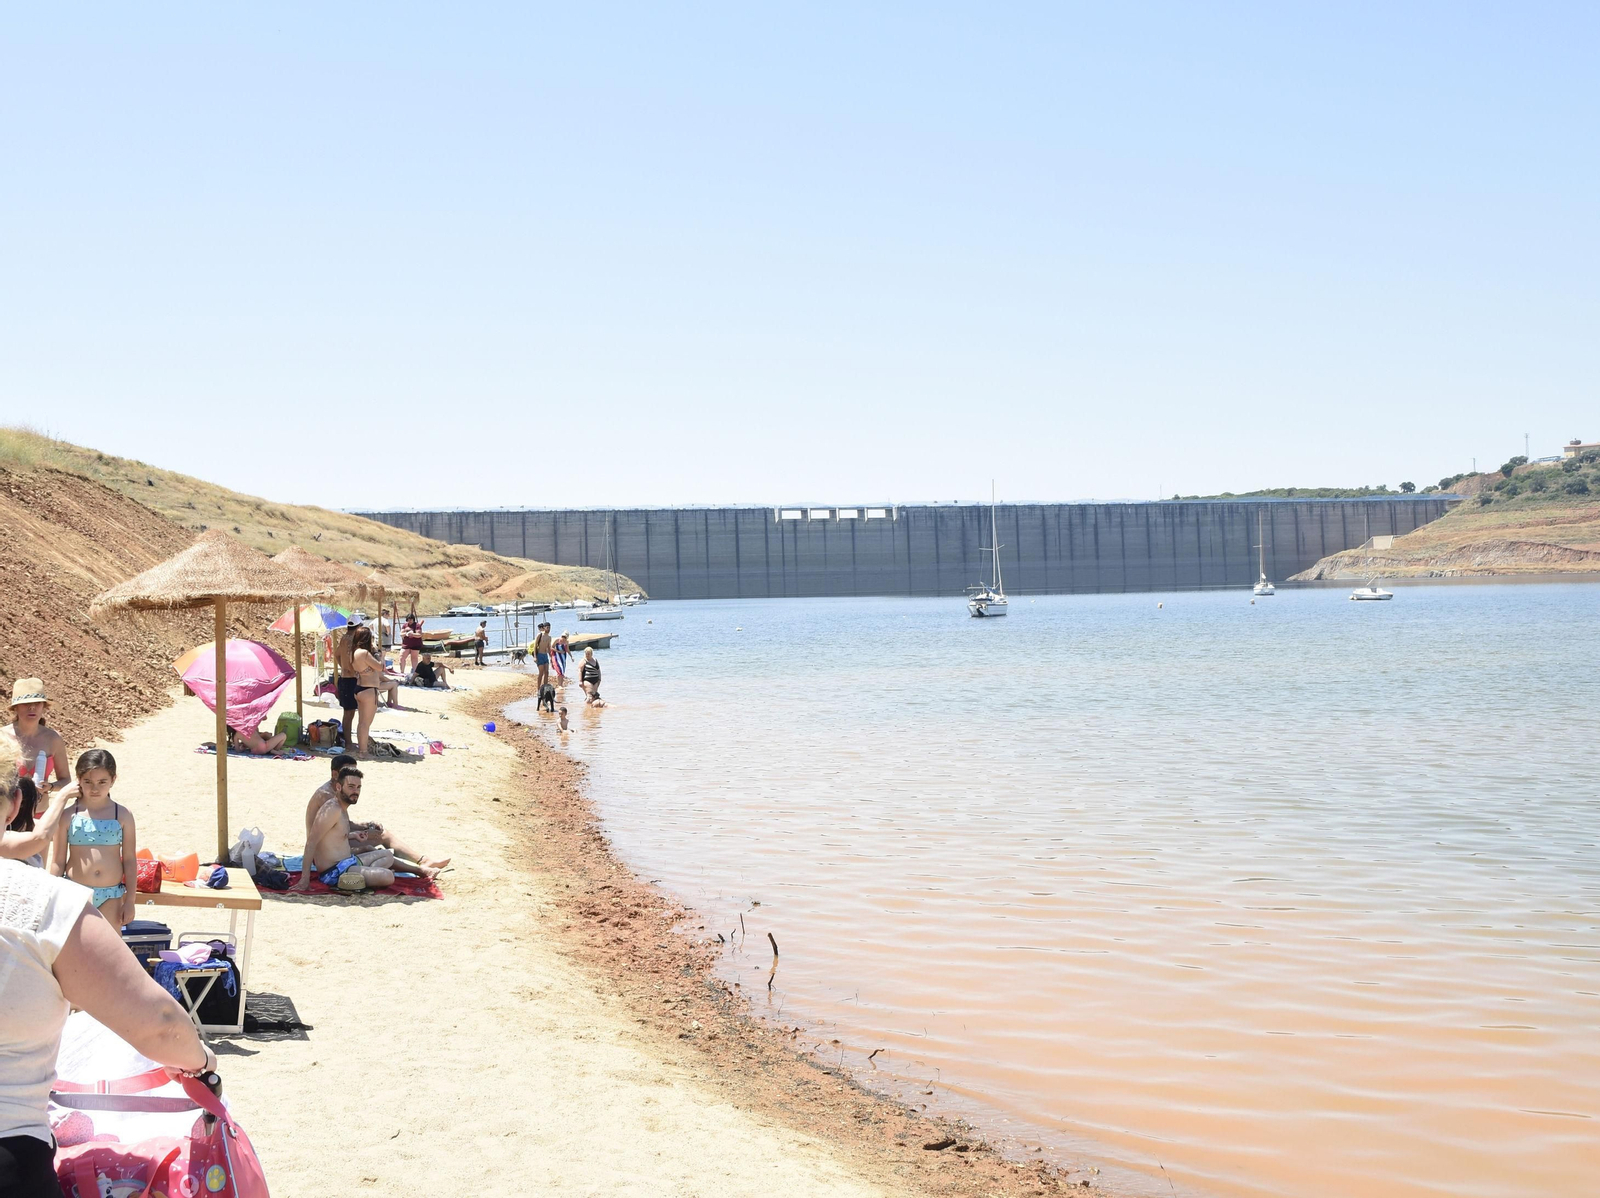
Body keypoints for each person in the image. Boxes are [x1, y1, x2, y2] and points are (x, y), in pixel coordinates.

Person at [1, 757, 214, 1197]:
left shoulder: (119, 818)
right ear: (15, 802)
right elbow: (159, 1024)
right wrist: (201, 1063)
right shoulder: (39, 902)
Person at [294, 755, 448, 894]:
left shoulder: (340, 805)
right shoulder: (330, 806)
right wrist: (304, 879)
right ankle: (352, 879)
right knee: (387, 876)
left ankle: (360, 876)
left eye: (358, 787)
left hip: (346, 861)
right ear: (339, 785)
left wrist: (354, 834)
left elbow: (335, 832)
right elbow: (312, 842)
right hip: (334, 870)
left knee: (387, 855)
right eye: (351, 786)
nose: (356, 791)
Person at [46, 750, 136, 929]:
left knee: (109, 943)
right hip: (75, 891)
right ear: (78, 780)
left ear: (113, 779)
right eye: (88, 781)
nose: (95, 789)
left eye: (102, 782)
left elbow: (130, 859)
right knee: (75, 943)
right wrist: (49, 897)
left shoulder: (123, 815)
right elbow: (58, 861)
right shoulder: (68, 816)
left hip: (111, 895)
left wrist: (130, 901)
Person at [9, 679, 70, 795]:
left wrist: (50, 787)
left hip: (41, 807)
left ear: (43, 707)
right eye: (26, 703)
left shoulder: (53, 739)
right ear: (15, 707)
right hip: (7, 806)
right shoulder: (2, 737)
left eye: (37, 703)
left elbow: (66, 780)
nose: (32, 707)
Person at [348, 625, 399, 755]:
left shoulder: (354, 652)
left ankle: (362, 749)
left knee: (361, 723)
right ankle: (363, 751)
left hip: (360, 688)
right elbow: (380, 666)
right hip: (368, 689)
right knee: (365, 724)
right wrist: (378, 654)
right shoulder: (364, 653)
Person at [334, 621, 361, 747]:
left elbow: (337, 655)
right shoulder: (352, 641)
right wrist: (352, 670)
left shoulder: (344, 638)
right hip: (351, 679)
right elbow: (351, 658)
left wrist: (343, 666)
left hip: (345, 678)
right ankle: (348, 742)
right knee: (349, 713)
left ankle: (348, 740)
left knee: (348, 712)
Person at [398, 613, 424, 677]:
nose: (409, 621)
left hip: (415, 644)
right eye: (408, 620)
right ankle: (402, 672)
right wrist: (406, 633)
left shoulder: (417, 625)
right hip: (406, 644)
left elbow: (419, 635)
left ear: (413, 619)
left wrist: (412, 634)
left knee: (414, 658)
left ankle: (414, 672)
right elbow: (401, 633)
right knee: (401, 657)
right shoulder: (405, 625)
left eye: (411, 619)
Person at [533, 622, 552, 691]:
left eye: (549, 627)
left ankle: (545, 688)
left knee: (547, 672)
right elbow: (535, 646)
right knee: (541, 672)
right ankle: (538, 689)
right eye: (547, 627)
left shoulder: (549, 637)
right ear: (544, 628)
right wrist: (535, 656)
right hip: (539, 655)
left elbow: (549, 648)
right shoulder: (540, 635)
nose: (548, 629)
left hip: (545, 655)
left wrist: (551, 657)